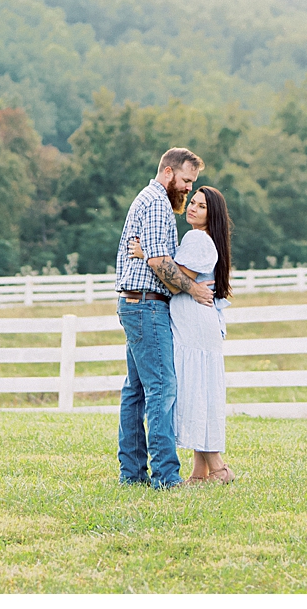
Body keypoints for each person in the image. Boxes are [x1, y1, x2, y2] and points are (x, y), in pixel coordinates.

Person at [113, 147, 212, 489]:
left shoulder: (151, 200)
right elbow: (159, 262)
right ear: (168, 173)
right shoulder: (156, 203)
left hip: (136, 303)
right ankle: (166, 477)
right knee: (161, 388)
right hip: (146, 305)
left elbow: (155, 257)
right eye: (186, 180)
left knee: (137, 391)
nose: (188, 188)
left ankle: (132, 473)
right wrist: (194, 290)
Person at [129, 184, 234, 485]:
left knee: (195, 390)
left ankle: (219, 468)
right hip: (197, 324)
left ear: (211, 214)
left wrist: (147, 254)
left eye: (201, 206)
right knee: (199, 390)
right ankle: (199, 473)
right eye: (193, 202)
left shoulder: (197, 237)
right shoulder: (204, 239)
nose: (192, 208)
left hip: (195, 326)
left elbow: (175, 281)